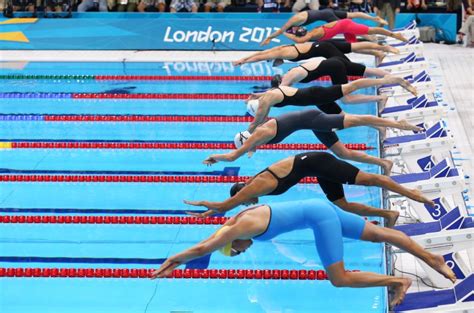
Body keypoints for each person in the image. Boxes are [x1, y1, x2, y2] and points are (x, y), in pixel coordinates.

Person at [151, 198, 456, 307]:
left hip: (318, 217)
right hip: (319, 207)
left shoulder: (237, 230)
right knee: (379, 234)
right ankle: (431, 258)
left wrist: (173, 261)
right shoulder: (239, 220)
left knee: (339, 278)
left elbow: (205, 246)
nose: (244, 252)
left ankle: (396, 281)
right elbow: (212, 237)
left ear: (234, 244)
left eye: (237, 253)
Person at [192, 152, 434, 222]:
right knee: (343, 205)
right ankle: (388, 214)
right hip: (316, 168)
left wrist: (207, 207)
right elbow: (230, 204)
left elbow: (227, 205)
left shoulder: (255, 186)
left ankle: (415, 194)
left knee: (372, 179)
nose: (247, 204)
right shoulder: (255, 186)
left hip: (319, 162)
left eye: (244, 200)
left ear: (242, 191)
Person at [203, 105, 419, 174]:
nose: (252, 149)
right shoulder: (256, 137)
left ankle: (399, 124)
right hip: (310, 122)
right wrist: (249, 150)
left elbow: (233, 157)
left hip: (313, 118)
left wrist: (215, 156)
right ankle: (384, 163)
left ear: (247, 142)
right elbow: (249, 148)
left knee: (358, 120)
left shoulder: (258, 136)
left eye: (249, 147)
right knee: (342, 153)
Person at [244, 75, 416, 133]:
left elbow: (256, 121)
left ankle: (392, 80)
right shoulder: (267, 96)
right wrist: (255, 95)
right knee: (346, 119)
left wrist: (247, 134)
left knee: (353, 86)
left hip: (317, 94)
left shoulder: (266, 101)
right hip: (317, 100)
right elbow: (263, 110)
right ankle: (380, 127)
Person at [275, 57, 390, 104]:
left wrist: (260, 97)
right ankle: (390, 76)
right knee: (366, 71)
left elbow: (280, 92)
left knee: (346, 99)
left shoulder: (289, 76)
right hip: (334, 61)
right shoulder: (292, 71)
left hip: (335, 67)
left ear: (280, 81)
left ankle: (380, 98)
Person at [261, 8, 388, 45]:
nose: (297, 31)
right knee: (352, 14)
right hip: (327, 11)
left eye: (295, 31)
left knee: (348, 27)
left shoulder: (293, 21)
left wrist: (269, 38)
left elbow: (280, 30)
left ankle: (372, 38)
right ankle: (374, 18)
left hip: (327, 16)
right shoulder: (295, 23)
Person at [233, 40, 399, 67]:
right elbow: (260, 52)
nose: (275, 63)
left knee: (347, 66)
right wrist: (242, 58)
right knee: (353, 47)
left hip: (324, 49)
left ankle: (383, 53)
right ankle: (382, 50)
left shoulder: (282, 53)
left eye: (273, 61)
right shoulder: (278, 50)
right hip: (322, 45)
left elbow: (259, 57)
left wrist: (243, 61)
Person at [283, 18, 408, 44]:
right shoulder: (311, 31)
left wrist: (284, 33)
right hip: (342, 27)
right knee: (353, 46)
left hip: (345, 25)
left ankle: (395, 35)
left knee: (372, 30)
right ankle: (379, 51)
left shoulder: (311, 34)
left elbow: (299, 41)